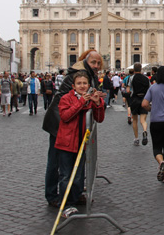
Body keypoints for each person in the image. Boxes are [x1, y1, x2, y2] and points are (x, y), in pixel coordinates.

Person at [43, 49, 106, 208]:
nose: (96, 65)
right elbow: (66, 99)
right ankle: (52, 195)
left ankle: (74, 193)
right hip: (60, 125)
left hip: (75, 126)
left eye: (99, 63)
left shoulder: (88, 75)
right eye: (93, 62)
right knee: (56, 162)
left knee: (76, 162)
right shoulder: (77, 75)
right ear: (86, 60)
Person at [56, 71, 105, 218]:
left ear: (89, 85)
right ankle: (65, 205)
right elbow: (65, 116)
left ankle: (76, 197)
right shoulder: (65, 98)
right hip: (66, 142)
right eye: (79, 83)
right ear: (73, 86)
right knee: (65, 175)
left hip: (82, 142)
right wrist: (81, 102)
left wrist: (97, 103)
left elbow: (99, 118)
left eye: (85, 83)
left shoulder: (90, 99)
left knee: (78, 175)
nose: (82, 86)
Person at [128, 63, 150, 146]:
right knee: (143, 120)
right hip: (144, 100)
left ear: (134, 69)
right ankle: (144, 131)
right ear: (141, 69)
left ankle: (136, 138)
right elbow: (149, 90)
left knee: (135, 120)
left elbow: (129, 89)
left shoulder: (131, 78)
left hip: (135, 99)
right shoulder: (146, 78)